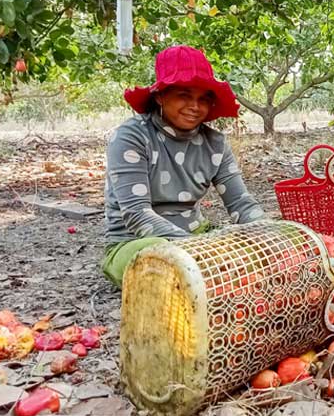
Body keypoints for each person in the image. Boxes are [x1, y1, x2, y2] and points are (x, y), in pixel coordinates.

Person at [102, 45, 265, 285]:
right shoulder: (132, 137)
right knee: (163, 265)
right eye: (184, 96)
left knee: (256, 254)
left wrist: (270, 235)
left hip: (197, 238)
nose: (195, 107)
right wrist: (199, 252)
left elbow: (240, 203)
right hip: (137, 243)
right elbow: (136, 214)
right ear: (160, 96)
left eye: (203, 99)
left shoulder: (215, 144)